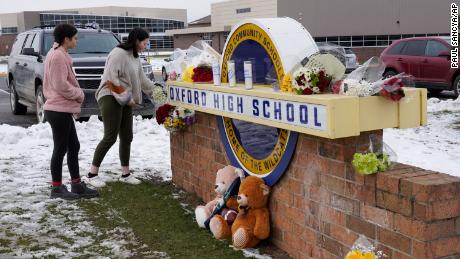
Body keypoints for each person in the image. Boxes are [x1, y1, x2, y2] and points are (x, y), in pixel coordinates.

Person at [84, 28, 160, 187]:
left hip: (125, 99)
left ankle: (125, 174)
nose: (146, 45)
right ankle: (91, 174)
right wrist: (126, 97)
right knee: (110, 136)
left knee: (127, 136)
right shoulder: (118, 54)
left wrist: (158, 92)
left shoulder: (134, 56)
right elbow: (111, 79)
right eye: (145, 42)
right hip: (110, 96)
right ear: (137, 41)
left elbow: (142, 79)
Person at [43, 24, 98, 199]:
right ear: (66, 39)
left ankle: (76, 185)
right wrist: (79, 94)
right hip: (58, 108)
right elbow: (60, 85)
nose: (77, 40)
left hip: (61, 108)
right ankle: (57, 188)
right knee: (60, 148)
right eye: (74, 38)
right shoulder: (58, 56)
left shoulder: (60, 54)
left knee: (73, 146)